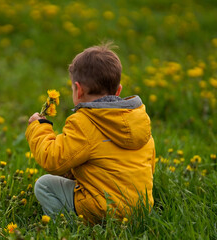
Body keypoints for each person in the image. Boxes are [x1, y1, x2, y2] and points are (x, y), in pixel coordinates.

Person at [25, 43, 155, 225]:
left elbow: (53, 159)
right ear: (118, 91)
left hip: (102, 209)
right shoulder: (139, 120)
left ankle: (66, 226)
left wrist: (39, 127)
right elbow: (148, 167)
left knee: (44, 185)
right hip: (140, 209)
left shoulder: (85, 122)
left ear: (79, 90)